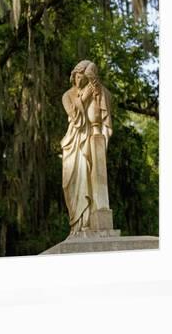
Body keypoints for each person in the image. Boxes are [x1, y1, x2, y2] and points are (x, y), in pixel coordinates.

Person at [60, 60, 112, 236]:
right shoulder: (67, 96)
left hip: (91, 139)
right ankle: (78, 221)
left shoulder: (96, 90)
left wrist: (96, 90)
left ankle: (89, 221)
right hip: (74, 143)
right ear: (74, 75)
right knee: (73, 182)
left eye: (84, 77)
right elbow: (74, 116)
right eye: (78, 75)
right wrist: (84, 97)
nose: (79, 79)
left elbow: (103, 106)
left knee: (91, 178)